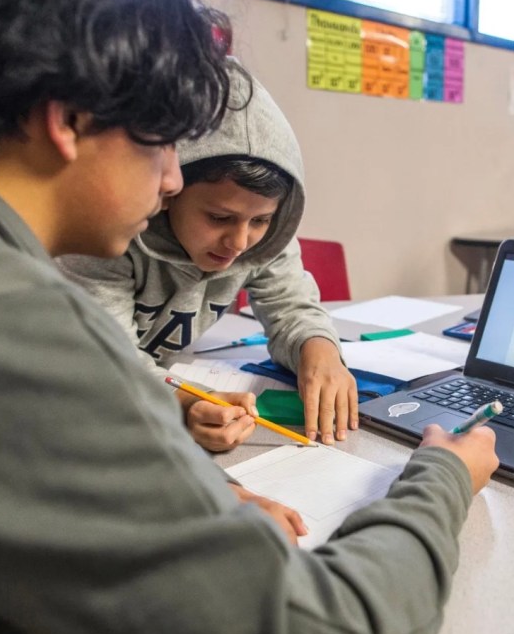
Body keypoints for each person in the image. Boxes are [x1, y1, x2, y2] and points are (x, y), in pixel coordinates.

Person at [0, 0, 499, 634]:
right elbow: (330, 632)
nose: (174, 177)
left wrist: (160, 505)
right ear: (68, 120)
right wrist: (442, 480)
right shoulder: (1, 325)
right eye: (161, 141)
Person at [58, 61, 356, 450]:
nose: (239, 241)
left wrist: (319, 349)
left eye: (262, 219)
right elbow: (103, 359)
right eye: (219, 217)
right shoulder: (110, 237)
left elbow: (292, 308)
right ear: (171, 191)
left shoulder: (261, 238)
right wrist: (181, 403)